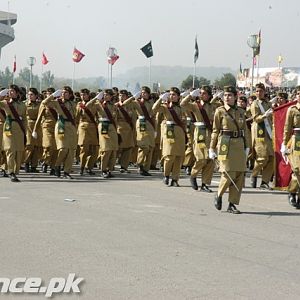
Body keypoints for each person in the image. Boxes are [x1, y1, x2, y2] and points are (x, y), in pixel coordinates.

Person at [209, 86, 249, 214]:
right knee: (228, 173)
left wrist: (247, 146)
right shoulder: (220, 111)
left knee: (239, 175)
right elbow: (215, 131)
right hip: (225, 143)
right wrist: (211, 147)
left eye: (230, 95)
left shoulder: (241, 112)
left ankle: (232, 204)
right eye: (225, 95)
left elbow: (245, 131)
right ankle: (219, 194)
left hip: (239, 144)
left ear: (235, 97)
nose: (227, 97)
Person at [181, 86, 220, 192]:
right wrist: (190, 95)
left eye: (204, 93)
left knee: (210, 160)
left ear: (209, 95)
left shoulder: (213, 106)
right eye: (201, 93)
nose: (202, 95)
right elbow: (183, 104)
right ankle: (193, 175)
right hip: (200, 133)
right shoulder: (195, 106)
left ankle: (204, 184)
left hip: (211, 134)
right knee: (201, 158)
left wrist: (217, 97)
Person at [39, 86, 78, 179]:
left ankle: (66, 171)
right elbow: (44, 103)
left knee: (71, 150)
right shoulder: (57, 103)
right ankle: (57, 165)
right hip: (61, 125)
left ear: (70, 94)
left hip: (71, 126)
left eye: (66, 92)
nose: (63, 94)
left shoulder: (73, 103)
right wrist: (52, 95)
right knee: (63, 148)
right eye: (62, 92)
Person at [152, 87, 186, 186]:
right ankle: (166, 175)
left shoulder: (181, 107)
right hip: (169, 132)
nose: (171, 96)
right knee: (169, 156)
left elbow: (185, 119)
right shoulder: (165, 107)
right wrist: (160, 99)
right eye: (170, 94)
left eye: (174, 95)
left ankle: (175, 179)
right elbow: (154, 109)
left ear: (178, 97)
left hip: (179, 132)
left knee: (178, 157)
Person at [122, 86, 156, 176]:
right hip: (141, 125)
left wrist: (155, 129)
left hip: (150, 126)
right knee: (143, 146)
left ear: (148, 94)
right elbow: (124, 104)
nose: (143, 94)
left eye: (145, 93)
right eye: (142, 92)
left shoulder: (152, 102)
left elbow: (153, 116)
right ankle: (140, 164)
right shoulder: (136, 102)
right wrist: (133, 97)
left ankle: (146, 168)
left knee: (150, 148)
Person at [86, 89, 118, 178]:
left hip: (112, 127)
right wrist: (95, 99)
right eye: (104, 95)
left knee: (113, 149)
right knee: (106, 149)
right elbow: (86, 106)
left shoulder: (113, 106)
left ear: (111, 96)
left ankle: (109, 169)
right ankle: (103, 169)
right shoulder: (98, 104)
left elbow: (115, 118)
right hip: (103, 126)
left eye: (108, 95)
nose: (105, 96)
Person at [0, 85, 27, 182]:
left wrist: (26, 131)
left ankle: (15, 172)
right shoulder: (5, 103)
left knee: (19, 151)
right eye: (9, 91)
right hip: (9, 128)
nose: (10, 93)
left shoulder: (23, 105)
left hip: (19, 129)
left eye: (12, 91)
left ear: (17, 93)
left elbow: (24, 119)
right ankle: (10, 171)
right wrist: (0, 95)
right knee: (10, 150)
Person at [250, 83, 274, 189]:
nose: (259, 93)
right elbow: (256, 118)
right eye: (257, 91)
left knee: (271, 158)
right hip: (259, 133)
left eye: (261, 91)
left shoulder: (268, 104)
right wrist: (265, 115)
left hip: (269, 134)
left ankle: (264, 181)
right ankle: (254, 174)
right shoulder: (255, 104)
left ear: (264, 92)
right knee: (262, 157)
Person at [281, 86, 300, 208]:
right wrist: (284, 144)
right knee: (298, 169)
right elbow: (287, 128)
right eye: (298, 93)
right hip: (296, 139)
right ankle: (292, 191)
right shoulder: (292, 110)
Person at [33, 87, 58, 175]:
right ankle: (45, 161)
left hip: (57, 128)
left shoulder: (57, 104)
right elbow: (39, 117)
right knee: (49, 146)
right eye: (48, 94)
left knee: (56, 149)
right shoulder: (44, 104)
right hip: (47, 127)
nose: (49, 95)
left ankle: (53, 167)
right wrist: (35, 130)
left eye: (51, 93)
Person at [76, 88, 99, 175]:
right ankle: (81, 167)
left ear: (88, 95)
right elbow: (77, 117)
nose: (83, 96)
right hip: (83, 127)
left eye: (85, 94)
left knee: (94, 149)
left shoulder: (95, 104)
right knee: (84, 149)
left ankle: (89, 167)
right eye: (81, 95)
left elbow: (98, 115)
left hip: (93, 127)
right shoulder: (79, 104)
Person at [116, 90, 135, 173]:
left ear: (127, 97)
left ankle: (124, 166)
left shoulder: (131, 106)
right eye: (120, 95)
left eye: (123, 96)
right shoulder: (116, 106)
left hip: (128, 128)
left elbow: (133, 117)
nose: (121, 97)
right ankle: (109, 164)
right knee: (117, 148)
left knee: (128, 148)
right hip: (119, 127)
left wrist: (134, 128)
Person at [24, 87, 42, 173]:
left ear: (36, 96)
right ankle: (26, 163)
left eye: (32, 95)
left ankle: (34, 166)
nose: (30, 96)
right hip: (28, 125)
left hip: (37, 126)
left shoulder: (39, 105)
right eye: (29, 95)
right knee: (29, 145)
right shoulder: (25, 104)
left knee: (36, 147)